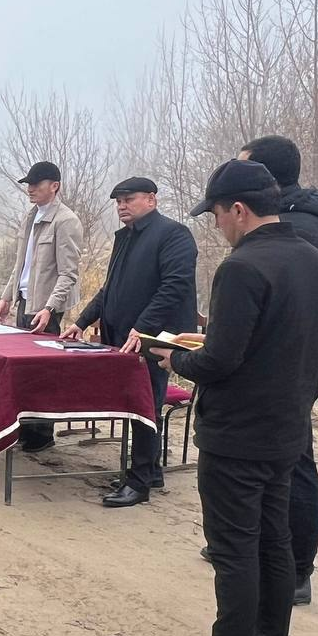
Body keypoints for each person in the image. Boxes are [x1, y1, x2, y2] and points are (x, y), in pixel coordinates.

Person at [153, 159, 318, 636]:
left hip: (237, 434)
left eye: (217, 215)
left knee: (235, 550)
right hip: (287, 429)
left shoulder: (242, 268)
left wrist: (175, 359)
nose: (217, 226)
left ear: (238, 209)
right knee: (274, 543)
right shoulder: (313, 257)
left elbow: (220, 361)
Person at [237, 135, 318, 605]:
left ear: (265, 176)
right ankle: (266, 554)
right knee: (282, 456)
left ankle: (297, 569)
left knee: (295, 462)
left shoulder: (299, 228)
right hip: (303, 358)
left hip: (290, 363)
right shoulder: (310, 221)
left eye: (244, 167)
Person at [61, 177, 197, 508]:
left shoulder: (173, 234)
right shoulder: (125, 237)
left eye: (128, 199)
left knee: (144, 406)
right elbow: (110, 289)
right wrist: (82, 321)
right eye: (118, 201)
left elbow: (174, 286)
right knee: (135, 404)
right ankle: (150, 472)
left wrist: (142, 328)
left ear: (151, 199)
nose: (122, 206)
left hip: (154, 339)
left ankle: (139, 482)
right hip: (123, 337)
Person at [0, 160, 84, 452]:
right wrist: (7, 297)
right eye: (28, 184)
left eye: (36, 184)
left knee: (43, 373)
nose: (30, 189)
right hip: (25, 302)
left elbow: (68, 273)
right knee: (22, 371)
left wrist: (50, 308)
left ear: (54, 186)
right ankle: (23, 430)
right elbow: (20, 265)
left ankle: (42, 435)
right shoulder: (31, 217)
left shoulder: (66, 221)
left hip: (46, 310)